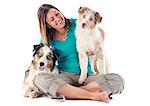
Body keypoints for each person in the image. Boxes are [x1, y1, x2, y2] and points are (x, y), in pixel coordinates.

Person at [33, 4, 124, 103]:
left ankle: (70, 92)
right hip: (65, 76)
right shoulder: (46, 38)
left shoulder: (78, 23)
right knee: (39, 79)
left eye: (57, 14)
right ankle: (92, 95)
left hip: (87, 76)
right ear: (47, 25)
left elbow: (100, 32)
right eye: (52, 19)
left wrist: (95, 46)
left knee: (118, 81)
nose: (58, 19)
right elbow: (40, 58)